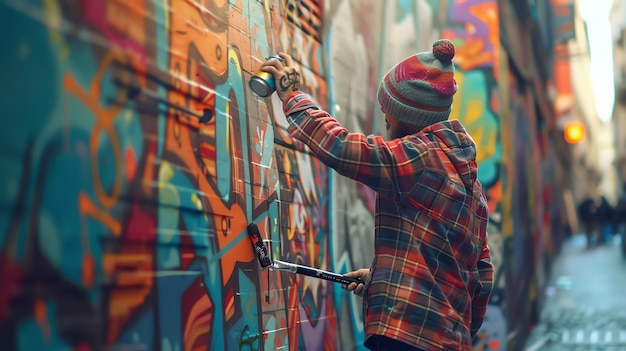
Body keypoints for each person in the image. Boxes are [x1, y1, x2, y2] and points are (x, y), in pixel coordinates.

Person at [258, 39, 494, 351]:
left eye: (389, 112)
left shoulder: (419, 158)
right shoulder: (470, 185)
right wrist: (385, 279)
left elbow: (341, 148)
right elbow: (481, 275)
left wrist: (291, 96)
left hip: (409, 339)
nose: (385, 119)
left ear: (409, 117)